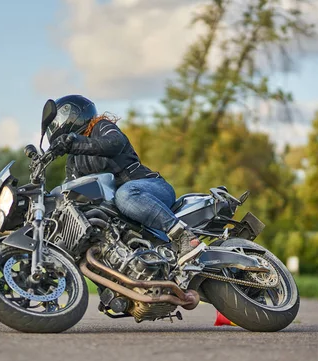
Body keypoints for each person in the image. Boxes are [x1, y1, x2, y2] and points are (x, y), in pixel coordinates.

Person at [46, 94, 206, 265]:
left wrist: (75, 143)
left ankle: (184, 236)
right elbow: (71, 192)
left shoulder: (101, 126)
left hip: (151, 188)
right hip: (124, 210)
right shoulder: (74, 160)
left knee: (124, 194)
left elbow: (114, 143)